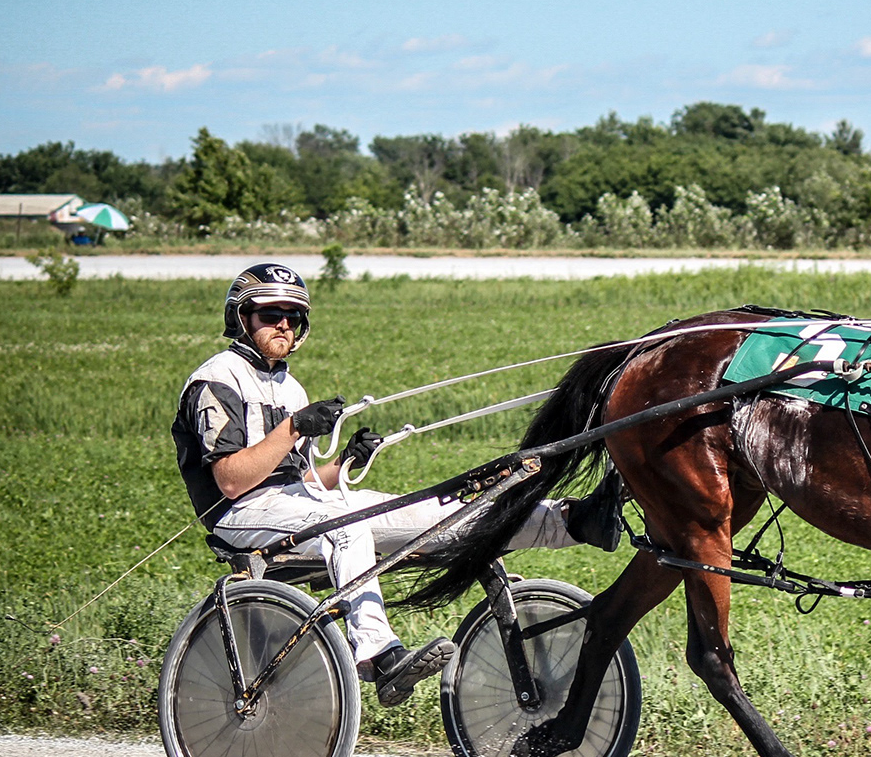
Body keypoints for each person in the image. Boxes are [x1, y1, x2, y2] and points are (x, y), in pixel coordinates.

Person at [171, 262, 624, 708]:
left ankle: (572, 520)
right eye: (272, 314)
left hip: (297, 505)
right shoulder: (216, 378)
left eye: (294, 316)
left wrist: (345, 462)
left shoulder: (290, 387)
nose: (284, 325)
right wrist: (294, 428)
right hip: (241, 516)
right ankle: (379, 657)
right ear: (241, 317)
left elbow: (302, 481)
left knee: (437, 512)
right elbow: (232, 481)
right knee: (347, 527)